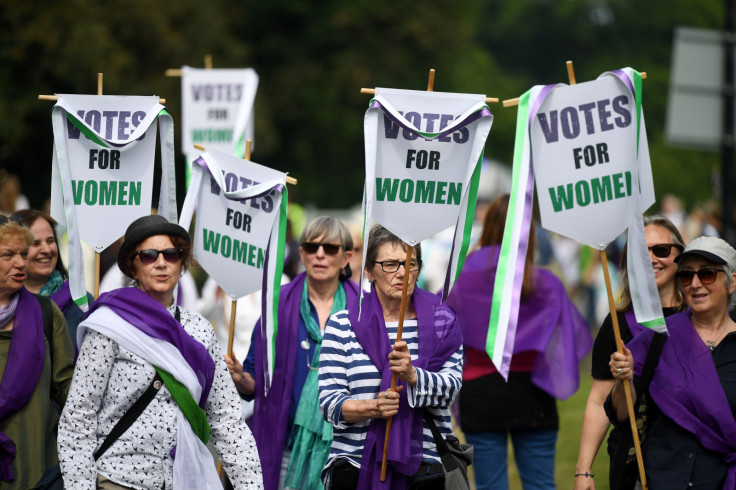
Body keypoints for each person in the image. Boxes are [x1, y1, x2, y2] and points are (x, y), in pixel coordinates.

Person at [57, 214, 262, 489]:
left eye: (172, 254)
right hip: (118, 480)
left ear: (182, 263)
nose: (162, 263)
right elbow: (78, 418)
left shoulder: (199, 331)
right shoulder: (108, 325)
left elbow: (227, 422)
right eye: (149, 256)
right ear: (132, 266)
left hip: (183, 480)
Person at [445, 194, 592, 490]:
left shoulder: (461, 282)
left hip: (481, 393)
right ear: (528, 230)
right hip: (533, 392)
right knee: (540, 485)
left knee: (490, 486)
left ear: (487, 228)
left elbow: (443, 326)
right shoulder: (546, 284)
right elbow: (570, 338)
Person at [319, 224, 463, 490]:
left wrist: (412, 375)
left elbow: (452, 389)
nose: (402, 273)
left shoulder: (443, 321)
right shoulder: (343, 324)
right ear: (368, 271)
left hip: (424, 471)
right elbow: (329, 404)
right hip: (356, 466)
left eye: (411, 264)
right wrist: (374, 408)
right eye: (390, 264)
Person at [225, 216, 359, 490]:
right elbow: (253, 384)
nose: (320, 254)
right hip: (284, 445)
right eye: (311, 247)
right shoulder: (276, 304)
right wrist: (240, 377)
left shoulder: (363, 311)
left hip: (345, 449)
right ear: (302, 254)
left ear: (346, 258)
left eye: (330, 248)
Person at [609, 235, 736, 489]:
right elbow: (622, 413)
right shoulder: (659, 337)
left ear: (732, 283)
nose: (696, 284)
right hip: (662, 478)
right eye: (687, 276)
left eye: (708, 274)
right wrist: (624, 377)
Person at [575, 215, 686, 490]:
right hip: (635, 464)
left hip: (696, 461)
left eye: (661, 250)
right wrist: (583, 470)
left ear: (680, 256)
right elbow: (598, 401)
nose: (651, 259)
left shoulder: (700, 316)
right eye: (641, 252)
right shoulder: (618, 322)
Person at [0, 214, 75, 489]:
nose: (21, 263)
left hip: (39, 475)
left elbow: (70, 389)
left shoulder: (46, 312)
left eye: (23, 253)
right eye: (8, 255)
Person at [15, 209, 90, 343]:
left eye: (50, 241)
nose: (47, 249)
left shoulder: (81, 301)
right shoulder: (5, 303)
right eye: (35, 243)